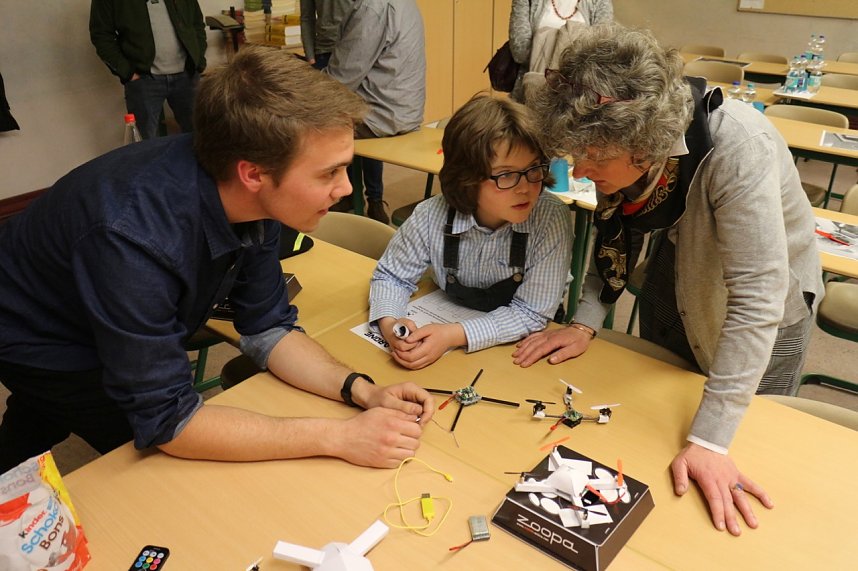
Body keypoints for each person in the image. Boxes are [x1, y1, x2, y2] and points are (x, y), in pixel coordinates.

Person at [0, 46, 435, 475]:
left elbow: (268, 329)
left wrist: (362, 391)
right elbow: (171, 423)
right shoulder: (133, 238)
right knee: (149, 471)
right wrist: (338, 437)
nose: (344, 190)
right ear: (253, 173)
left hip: (77, 292)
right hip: (35, 331)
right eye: (328, 173)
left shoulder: (253, 194)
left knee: (38, 421)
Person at [513, 24, 824, 536]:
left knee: (729, 480)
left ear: (644, 143)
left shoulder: (738, 150)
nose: (580, 168)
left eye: (591, 156)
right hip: (674, 281)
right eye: (575, 152)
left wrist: (712, 440)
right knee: (648, 446)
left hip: (759, 322)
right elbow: (612, 230)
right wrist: (587, 320)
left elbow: (757, 299)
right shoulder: (622, 146)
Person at [369, 95, 573, 370]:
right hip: (453, 342)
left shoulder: (549, 218)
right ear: (467, 177)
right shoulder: (432, 215)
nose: (525, 188)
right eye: (506, 175)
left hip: (518, 350)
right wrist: (391, 325)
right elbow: (392, 276)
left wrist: (453, 335)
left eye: (533, 169)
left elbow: (531, 312)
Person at [325, 0, 426, 224]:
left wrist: (299, 83)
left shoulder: (372, 8)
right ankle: (350, 195)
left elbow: (341, 79)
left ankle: (304, 212)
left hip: (381, 117)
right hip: (404, 112)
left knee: (300, 125)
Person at [89, 0, 207, 139]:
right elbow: (101, 35)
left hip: (188, 76)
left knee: (201, 137)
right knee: (145, 143)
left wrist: (198, 60)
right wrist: (127, 72)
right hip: (144, 81)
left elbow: (197, 22)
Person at [508, 0, 613, 102]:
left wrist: (545, 39)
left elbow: (600, 54)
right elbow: (520, 52)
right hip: (531, 94)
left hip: (579, 98)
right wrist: (569, 37)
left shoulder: (600, 2)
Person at [300, 0, 352, 70]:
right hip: (323, 53)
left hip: (352, 51)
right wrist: (310, 58)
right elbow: (307, 19)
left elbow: (367, 14)